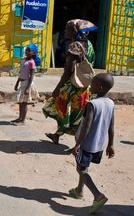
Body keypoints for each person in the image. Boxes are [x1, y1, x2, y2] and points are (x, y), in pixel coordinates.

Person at [43, 19, 97, 144]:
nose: (65, 31)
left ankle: (80, 143)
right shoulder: (88, 44)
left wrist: (57, 88)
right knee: (75, 113)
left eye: (67, 28)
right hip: (84, 86)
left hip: (73, 86)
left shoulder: (74, 46)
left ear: (74, 30)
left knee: (62, 109)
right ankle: (57, 135)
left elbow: (68, 71)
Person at [69, 73, 115, 214]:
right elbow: (111, 126)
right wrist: (111, 144)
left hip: (87, 143)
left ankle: (97, 195)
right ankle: (79, 191)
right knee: (84, 166)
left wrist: (78, 144)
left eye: (93, 84)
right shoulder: (111, 103)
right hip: (99, 144)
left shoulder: (92, 104)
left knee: (81, 169)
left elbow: (86, 127)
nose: (90, 86)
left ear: (100, 87)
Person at [12, 44, 39, 125]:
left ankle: (23, 120)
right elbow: (21, 73)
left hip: (27, 83)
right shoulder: (23, 60)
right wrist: (17, 83)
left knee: (24, 103)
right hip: (22, 83)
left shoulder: (31, 62)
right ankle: (20, 118)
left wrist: (28, 88)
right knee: (20, 102)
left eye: (29, 50)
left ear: (33, 53)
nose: (26, 51)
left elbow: (31, 76)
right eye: (26, 50)